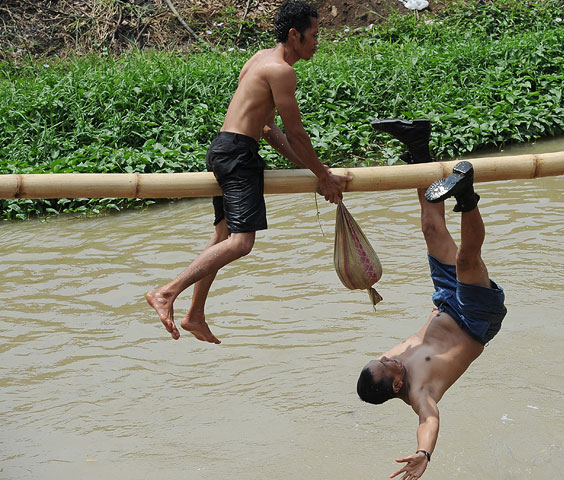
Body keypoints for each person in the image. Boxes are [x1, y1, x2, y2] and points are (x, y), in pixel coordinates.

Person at [146, 1, 350, 343]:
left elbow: (268, 130)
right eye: (314, 35)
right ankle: (167, 292)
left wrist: (312, 169)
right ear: (293, 34)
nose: (318, 42)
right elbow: (296, 132)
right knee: (241, 243)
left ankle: (195, 314)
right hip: (239, 156)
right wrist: (324, 176)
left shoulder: (259, 58)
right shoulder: (283, 72)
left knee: (223, 237)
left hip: (224, 149)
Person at [356, 129, 507, 479]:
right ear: (395, 385)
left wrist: (436, 310)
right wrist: (424, 453)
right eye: (387, 365)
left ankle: (417, 145)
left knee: (430, 227)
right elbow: (430, 420)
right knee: (468, 260)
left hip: (445, 303)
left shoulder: (388, 364)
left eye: (381, 358)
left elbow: (421, 335)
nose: (388, 357)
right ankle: (466, 195)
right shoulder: (420, 391)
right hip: (475, 319)